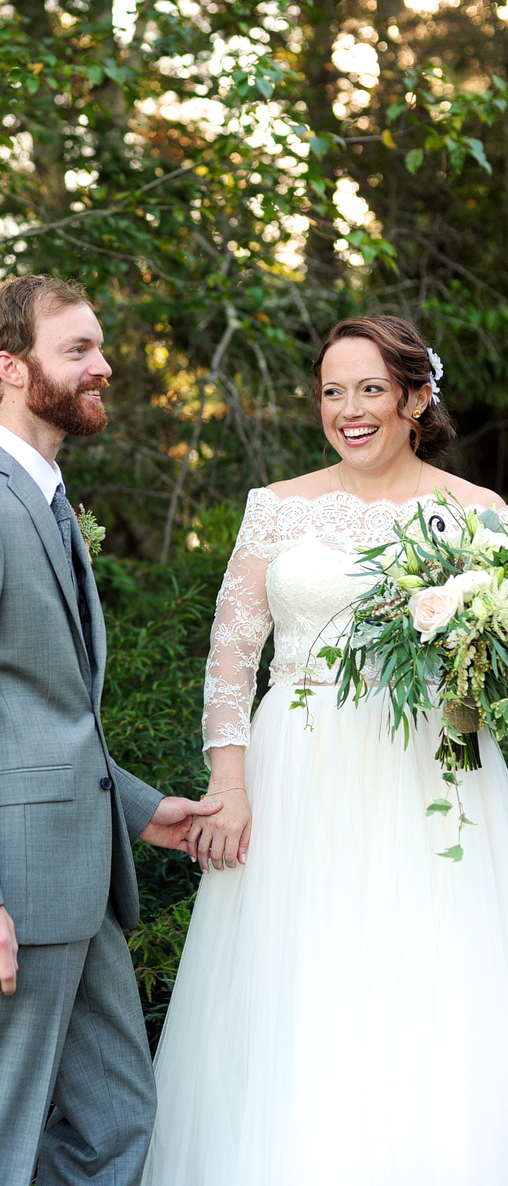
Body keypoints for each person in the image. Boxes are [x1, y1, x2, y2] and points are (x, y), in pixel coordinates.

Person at [142, 315, 508, 1186]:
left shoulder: (480, 514)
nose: (349, 409)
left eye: (371, 388)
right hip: (296, 769)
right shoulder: (275, 506)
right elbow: (232, 655)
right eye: (332, 391)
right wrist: (227, 783)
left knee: (430, 968)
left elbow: (493, 668)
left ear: (416, 397)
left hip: (429, 770)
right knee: (298, 978)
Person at [0, 273, 220, 1186]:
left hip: (82, 879)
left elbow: (40, 708)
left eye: (97, 347)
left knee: (117, 1123)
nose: (102, 366)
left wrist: (143, 809)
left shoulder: (44, 500)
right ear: (10, 365)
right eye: (78, 349)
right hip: (9, 892)